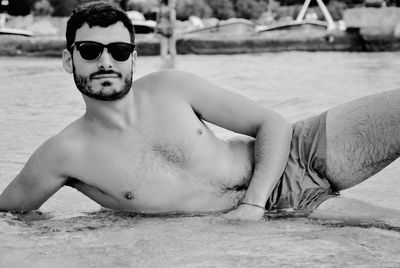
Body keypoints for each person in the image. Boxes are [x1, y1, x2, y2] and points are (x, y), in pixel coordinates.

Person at [1, 1, 400, 224]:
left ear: (134, 59)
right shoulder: (61, 155)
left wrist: (252, 206)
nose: (106, 61)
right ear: (69, 60)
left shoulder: (169, 87)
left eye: (119, 51)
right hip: (287, 210)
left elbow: (272, 123)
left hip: (296, 154)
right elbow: (8, 217)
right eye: (90, 51)